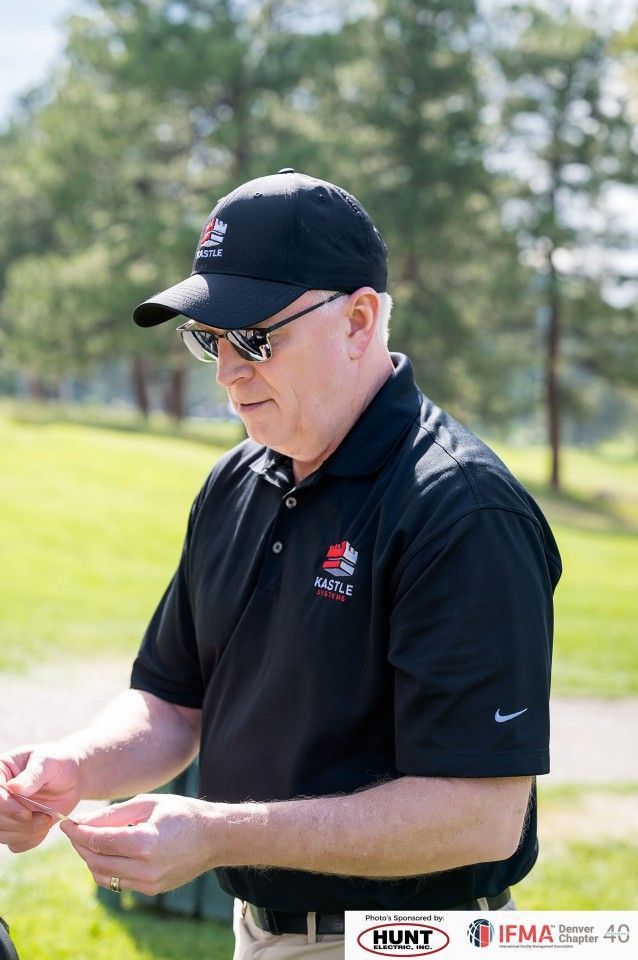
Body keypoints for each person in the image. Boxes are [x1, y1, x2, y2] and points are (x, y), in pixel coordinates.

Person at [0, 169, 561, 959]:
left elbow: (478, 816)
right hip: (260, 932)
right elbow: (171, 703)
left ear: (359, 320)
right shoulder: (239, 476)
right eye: (210, 340)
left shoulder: (461, 511)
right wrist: (74, 765)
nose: (229, 372)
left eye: (256, 338)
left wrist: (218, 834)